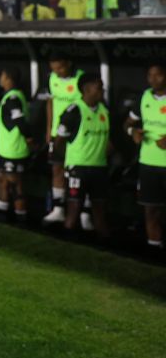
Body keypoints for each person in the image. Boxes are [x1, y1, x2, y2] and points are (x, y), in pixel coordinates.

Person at [55, 73, 111, 238]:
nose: (102, 91)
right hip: (78, 168)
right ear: (86, 89)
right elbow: (59, 142)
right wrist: (70, 162)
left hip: (99, 167)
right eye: (98, 87)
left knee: (99, 212)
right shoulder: (74, 111)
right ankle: (66, 244)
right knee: (74, 209)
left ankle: (104, 248)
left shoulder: (105, 111)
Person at [127, 63, 166, 251]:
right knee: (150, 209)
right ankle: (154, 247)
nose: (153, 79)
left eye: (158, 75)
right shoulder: (144, 97)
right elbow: (128, 123)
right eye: (150, 75)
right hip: (148, 164)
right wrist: (133, 131)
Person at [43, 54, 85, 225]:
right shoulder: (52, 78)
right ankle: (58, 209)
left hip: (77, 135)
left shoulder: (81, 79)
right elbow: (50, 102)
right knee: (57, 169)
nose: (57, 72)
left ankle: (84, 213)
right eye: (54, 69)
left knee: (77, 172)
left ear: (68, 63)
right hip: (57, 133)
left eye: (60, 68)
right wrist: (49, 128)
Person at [0, 68, 35, 222]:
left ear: (8, 78)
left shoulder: (13, 99)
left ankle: (21, 219)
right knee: (2, 182)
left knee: (15, 186)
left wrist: (29, 139)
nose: (0, 78)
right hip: (5, 149)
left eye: (2, 75)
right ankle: (2, 216)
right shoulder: (9, 96)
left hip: (14, 150)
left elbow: (20, 121)